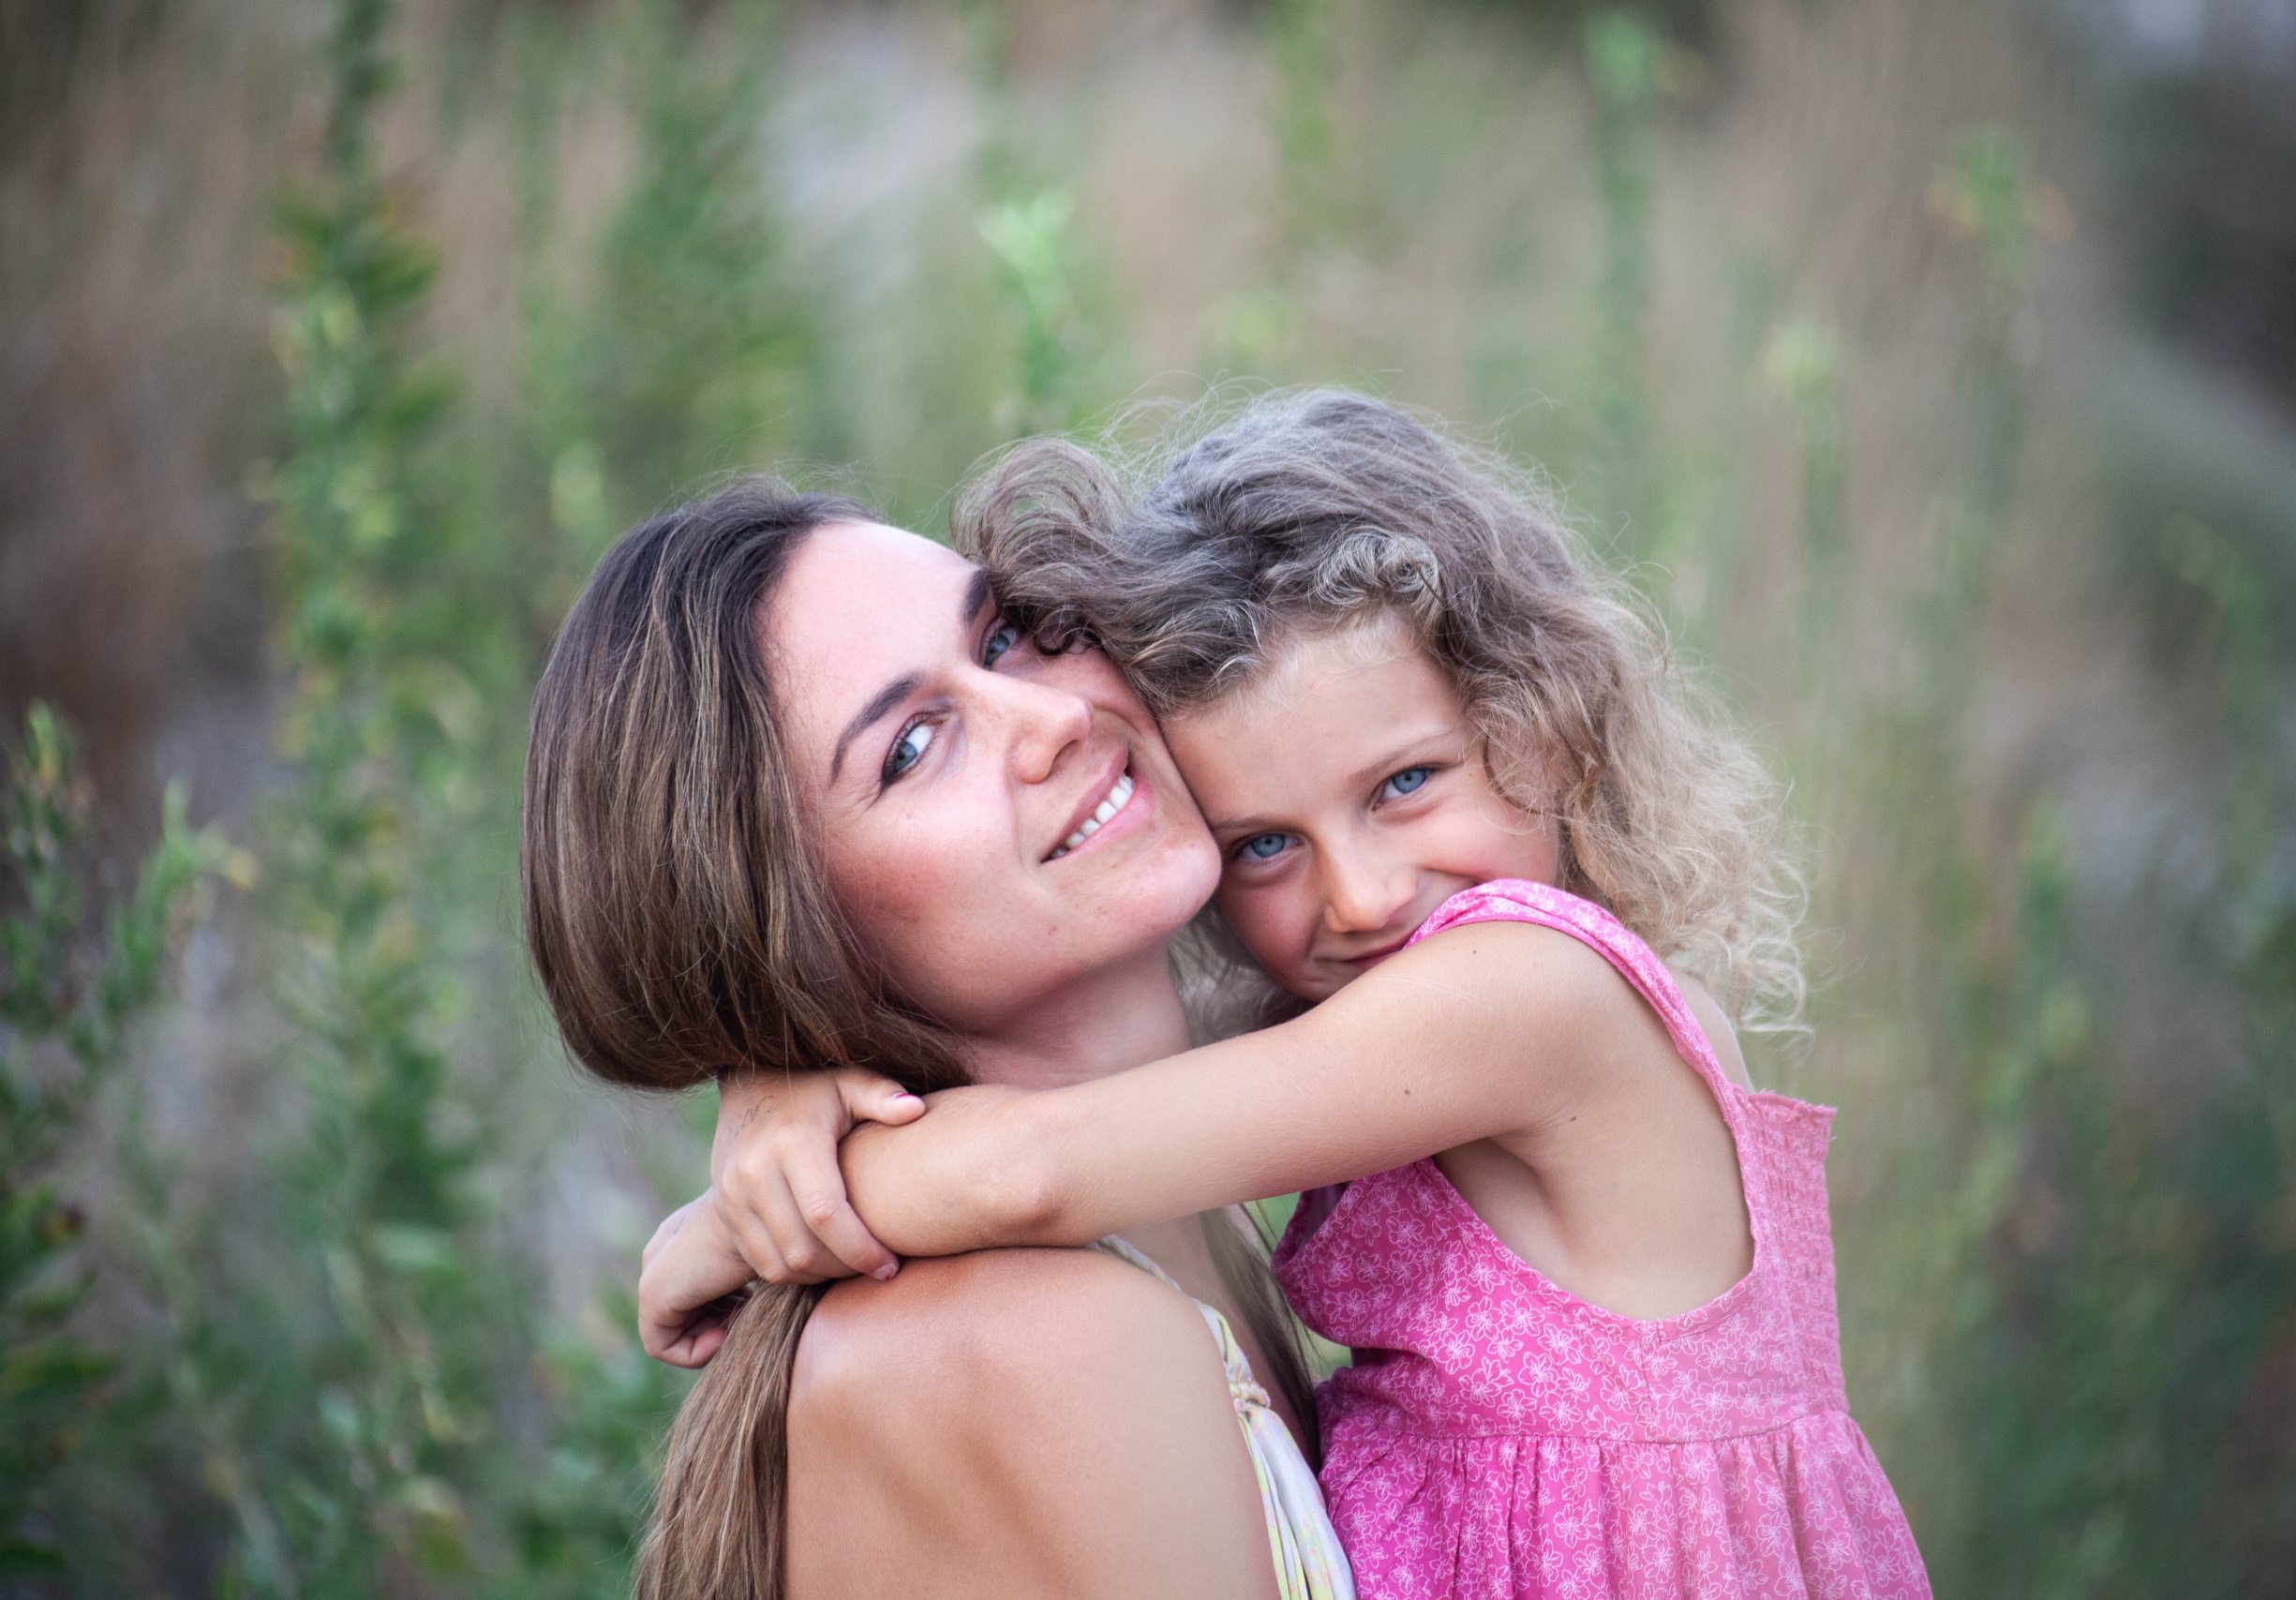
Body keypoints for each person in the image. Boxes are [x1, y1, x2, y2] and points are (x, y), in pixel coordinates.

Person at [646, 392, 1932, 1597]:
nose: (1362, 895)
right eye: (1263, 842)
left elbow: (1038, 1161)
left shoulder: (1532, 990)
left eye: (1404, 783)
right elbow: (1122, 1090)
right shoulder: (1358, 1018)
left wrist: (737, 1221)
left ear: (1535, 712)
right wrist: (773, 1073)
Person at [520, 481, 1354, 1600]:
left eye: (1004, 637)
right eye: (913, 747)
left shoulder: (1187, 1211)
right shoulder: (1047, 1341)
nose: (1054, 719)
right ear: (789, 934)